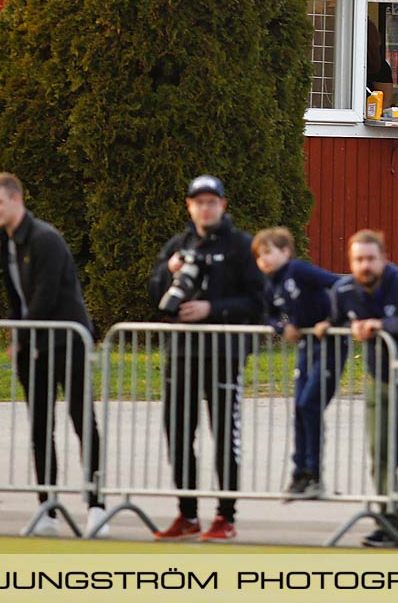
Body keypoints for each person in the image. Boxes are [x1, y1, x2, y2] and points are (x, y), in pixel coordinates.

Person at [0, 172, 104, 537]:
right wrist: (19, 337)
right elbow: (17, 299)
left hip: (68, 340)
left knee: (83, 421)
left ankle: (97, 506)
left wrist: (20, 335)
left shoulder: (45, 239)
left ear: (17, 200)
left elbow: (47, 296)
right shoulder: (7, 243)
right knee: (40, 427)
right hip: (33, 346)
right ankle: (47, 508)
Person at [146, 174, 266, 541]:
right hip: (181, 355)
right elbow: (154, 295)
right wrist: (167, 274)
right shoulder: (178, 245)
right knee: (179, 434)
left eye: (212, 201)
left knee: (223, 439)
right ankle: (187, 514)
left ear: (223, 205)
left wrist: (212, 307)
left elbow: (258, 301)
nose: (205, 207)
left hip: (224, 354)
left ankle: (225, 517)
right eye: (199, 202)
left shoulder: (241, 245)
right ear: (189, 206)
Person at [320, 230, 398, 547]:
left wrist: (379, 325)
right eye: (359, 259)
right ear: (351, 261)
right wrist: (326, 325)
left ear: (384, 259)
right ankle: (388, 521)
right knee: (381, 452)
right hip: (381, 381)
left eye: (371, 259)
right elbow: (332, 321)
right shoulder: (345, 289)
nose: (365, 266)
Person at [253, 226, 345, 501]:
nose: (264, 260)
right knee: (300, 408)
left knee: (309, 404)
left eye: (269, 252)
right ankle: (300, 474)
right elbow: (268, 316)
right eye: (259, 255)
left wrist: (331, 321)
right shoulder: (270, 284)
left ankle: (314, 474)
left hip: (330, 344)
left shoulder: (299, 271)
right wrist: (284, 328)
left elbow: (339, 285)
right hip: (307, 346)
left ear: (286, 251)